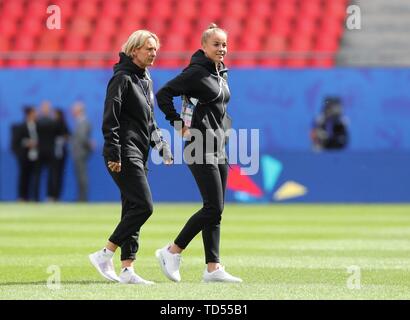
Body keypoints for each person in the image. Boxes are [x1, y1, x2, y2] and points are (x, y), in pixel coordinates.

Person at [155, 24, 242, 283]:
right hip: (198, 146)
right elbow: (163, 95)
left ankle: (213, 268)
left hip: (218, 147)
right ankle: (172, 251)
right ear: (204, 46)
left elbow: (216, 109)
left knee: (216, 209)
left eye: (224, 45)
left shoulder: (221, 74)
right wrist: (178, 124)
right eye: (216, 44)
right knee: (213, 207)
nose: (222, 49)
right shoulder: (195, 73)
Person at [89, 30, 173, 285]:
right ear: (134, 50)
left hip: (140, 152)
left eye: (155, 49)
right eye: (148, 48)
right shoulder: (122, 79)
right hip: (123, 153)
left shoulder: (145, 79)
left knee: (131, 208)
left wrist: (161, 145)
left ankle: (127, 269)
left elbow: (149, 121)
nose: (153, 53)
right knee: (144, 206)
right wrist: (114, 151)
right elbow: (110, 118)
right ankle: (105, 254)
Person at [11, 106, 40, 201]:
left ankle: (35, 198)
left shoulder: (39, 126)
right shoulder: (21, 127)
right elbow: (16, 142)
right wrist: (27, 143)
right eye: (34, 113)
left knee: (36, 178)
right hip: (24, 156)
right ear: (28, 114)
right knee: (24, 176)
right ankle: (22, 197)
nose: (36, 115)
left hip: (36, 156)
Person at [71, 101, 93, 202]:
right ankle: (81, 198)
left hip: (81, 153)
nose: (72, 112)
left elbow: (83, 138)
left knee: (82, 177)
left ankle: (83, 198)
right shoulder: (79, 121)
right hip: (79, 153)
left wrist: (88, 146)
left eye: (74, 110)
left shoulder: (83, 122)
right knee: (80, 176)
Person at [36, 100, 58, 201]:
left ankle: (50, 197)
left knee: (51, 175)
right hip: (40, 152)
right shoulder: (39, 122)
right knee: (37, 175)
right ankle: (35, 197)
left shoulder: (51, 122)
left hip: (49, 151)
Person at [51, 108, 70, 201]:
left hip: (60, 153)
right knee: (56, 175)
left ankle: (55, 195)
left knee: (56, 175)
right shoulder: (63, 124)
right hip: (59, 153)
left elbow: (68, 136)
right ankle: (55, 195)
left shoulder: (57, 124)